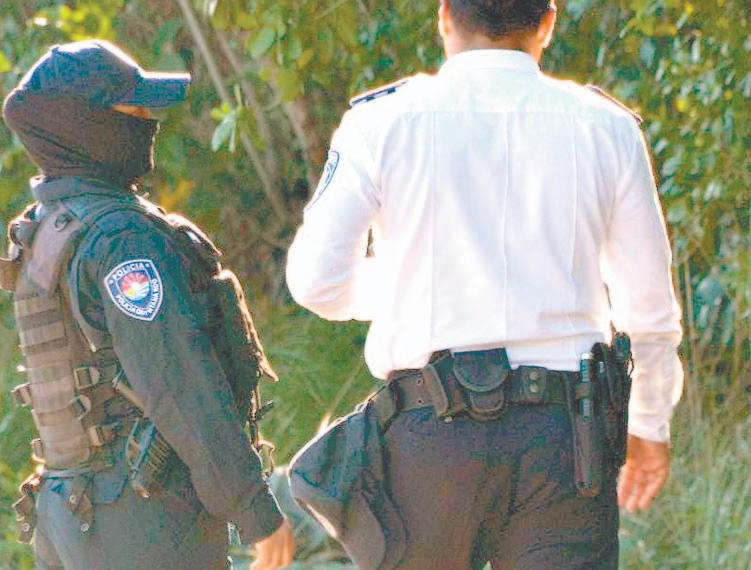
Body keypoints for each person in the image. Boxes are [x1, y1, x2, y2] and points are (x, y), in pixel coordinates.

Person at [285, 0, 683, 567]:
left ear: (445, 16)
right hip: (566, 441)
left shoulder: (382, 122)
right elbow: (649, 309)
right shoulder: (606, 127)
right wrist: (648, 423)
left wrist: (419, 281)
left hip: (430, 436)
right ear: (547, 22)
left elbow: (316, 282)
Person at [0, 39, 294, 569]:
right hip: (141, 522)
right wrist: (253, 509)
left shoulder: (44, 230)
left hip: (66, 515)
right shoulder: (123, 239)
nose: (149, 123)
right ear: (87, 127)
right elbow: (178, 381)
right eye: (133, 112)